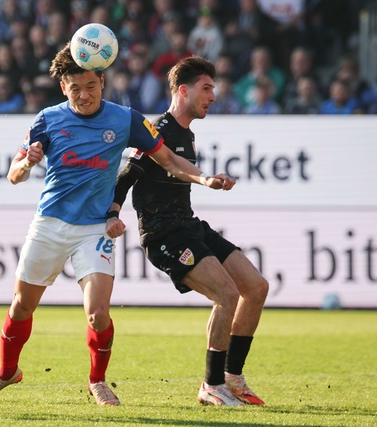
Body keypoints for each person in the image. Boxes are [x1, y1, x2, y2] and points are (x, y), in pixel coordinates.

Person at [0, 43, 228, 406]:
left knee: (98, 312)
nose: (84, 95)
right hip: (50, 224)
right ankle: (7, 372)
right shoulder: (47, 119)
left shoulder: (126, 119)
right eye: (75, 88)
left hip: (94, 229)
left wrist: (203, 180)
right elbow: (13, 175)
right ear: (63, 88)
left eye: (91, 86)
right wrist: (27, 163)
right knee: (21, 308)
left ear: (102, 81)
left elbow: (168, 159)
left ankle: (98, 380)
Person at [108, 56, 268, 407]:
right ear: (183, 90)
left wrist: (210, 178)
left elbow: (182, 171)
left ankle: (232, 378)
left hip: (189, 225)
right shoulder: (155, 130)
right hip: (164, 234)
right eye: (207, 88)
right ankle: (211, 386)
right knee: (226, 294)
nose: (214, 94)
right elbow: (124, 177)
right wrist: (113, 214)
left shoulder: (187, 135)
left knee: (255, 288)